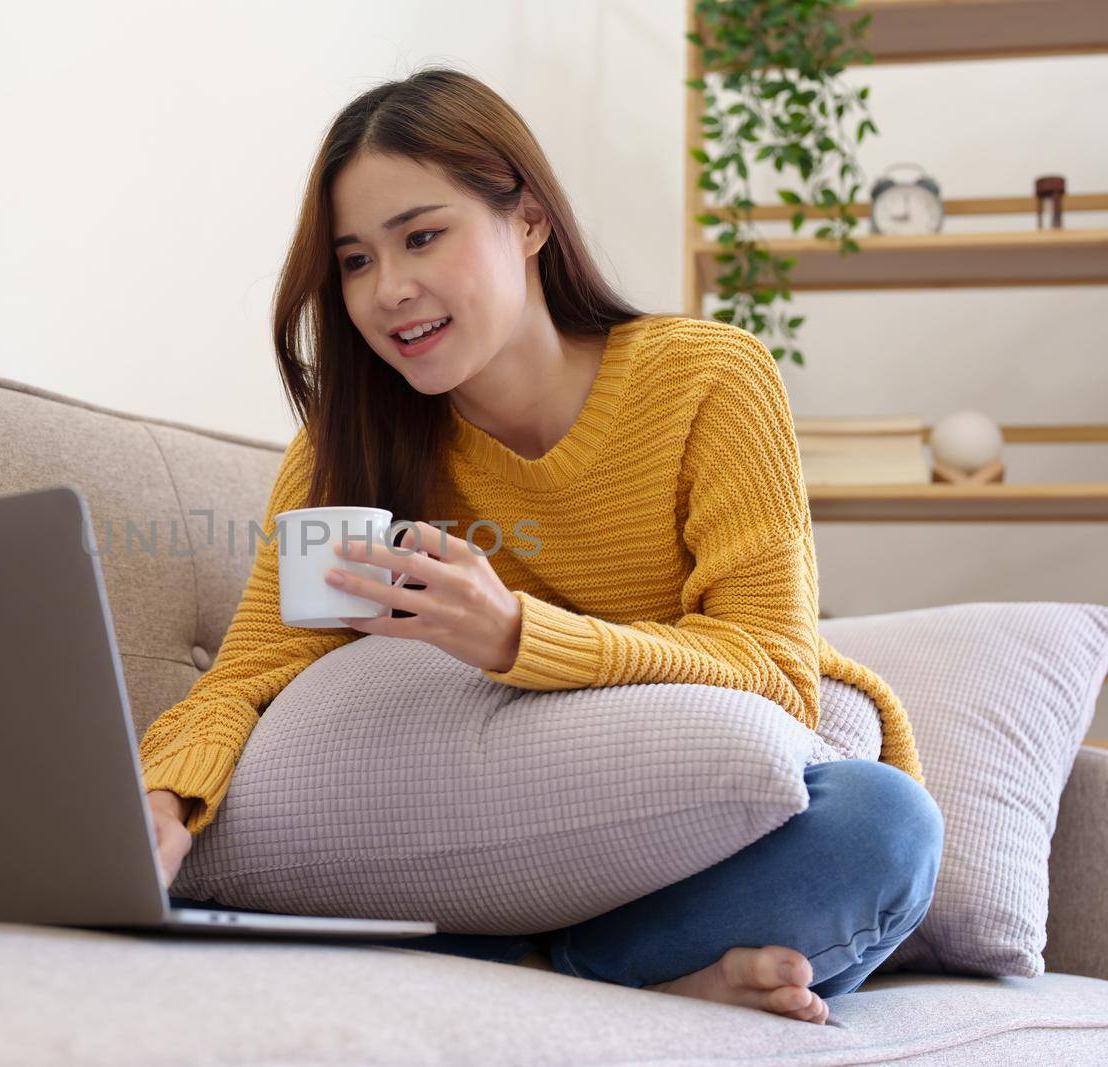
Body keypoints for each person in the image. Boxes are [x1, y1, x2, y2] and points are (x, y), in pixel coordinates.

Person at [140, 66, 942, 1027]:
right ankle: (634, 982)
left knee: (881, 828)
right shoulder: (349, 441)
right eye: (354, 261)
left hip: (676, 835)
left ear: (527, 221)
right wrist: (161, 800)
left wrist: (520, 634)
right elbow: (250, 676)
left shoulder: (709, 383)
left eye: (422, 236)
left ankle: (561, 970)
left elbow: (775, 668)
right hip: (479, 859)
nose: (389, 290)